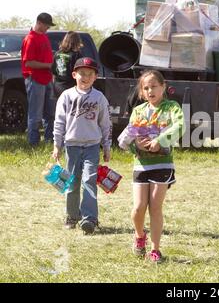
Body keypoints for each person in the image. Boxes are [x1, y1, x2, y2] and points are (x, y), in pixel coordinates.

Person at [118, 70, 185, 262]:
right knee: (139, 207)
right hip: (141, 166)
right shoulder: (138, 112)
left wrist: (161, 141)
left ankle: (155, 250)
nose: (150, 91)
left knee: (155, 207)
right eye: (146, 88)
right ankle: (140, 236)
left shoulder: (171, 107)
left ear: (163, 87)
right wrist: (135, 146)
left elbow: (180, 126)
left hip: (162, 164)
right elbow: (125, 139)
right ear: (141, 92)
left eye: (154, 86)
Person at [52, 57, 112, 235]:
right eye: (82, 73)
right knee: (71, 182)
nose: (85, 77)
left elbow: (105, 124)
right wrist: (57, 145)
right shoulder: (67, 96)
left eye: (90, 74)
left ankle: (90, 219)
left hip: (92, 146)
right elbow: (59, 122)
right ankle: (72, 216)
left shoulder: (99, 97)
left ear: (95, 77)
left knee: (89, 181)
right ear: (74, 74)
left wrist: (106, 146)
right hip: (72, 146)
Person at [21, 12, 56, 146]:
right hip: (35, 79)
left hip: (47, 79)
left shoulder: (44, 37)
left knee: (50, 113)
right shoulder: (30, 39)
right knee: (35, 115)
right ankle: (33, 143)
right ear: (39, 23)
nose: (48, 28)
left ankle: (49, 141)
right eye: (46, 25)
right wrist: (48, 65)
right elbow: (28, 63)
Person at [52, 31, 83, 98]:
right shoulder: (76, 55)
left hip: (58, 88)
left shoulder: (57, 53)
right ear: (76, 41)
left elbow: (54, 73)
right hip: (71, 88)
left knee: (60, 107)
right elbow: (80, 72)